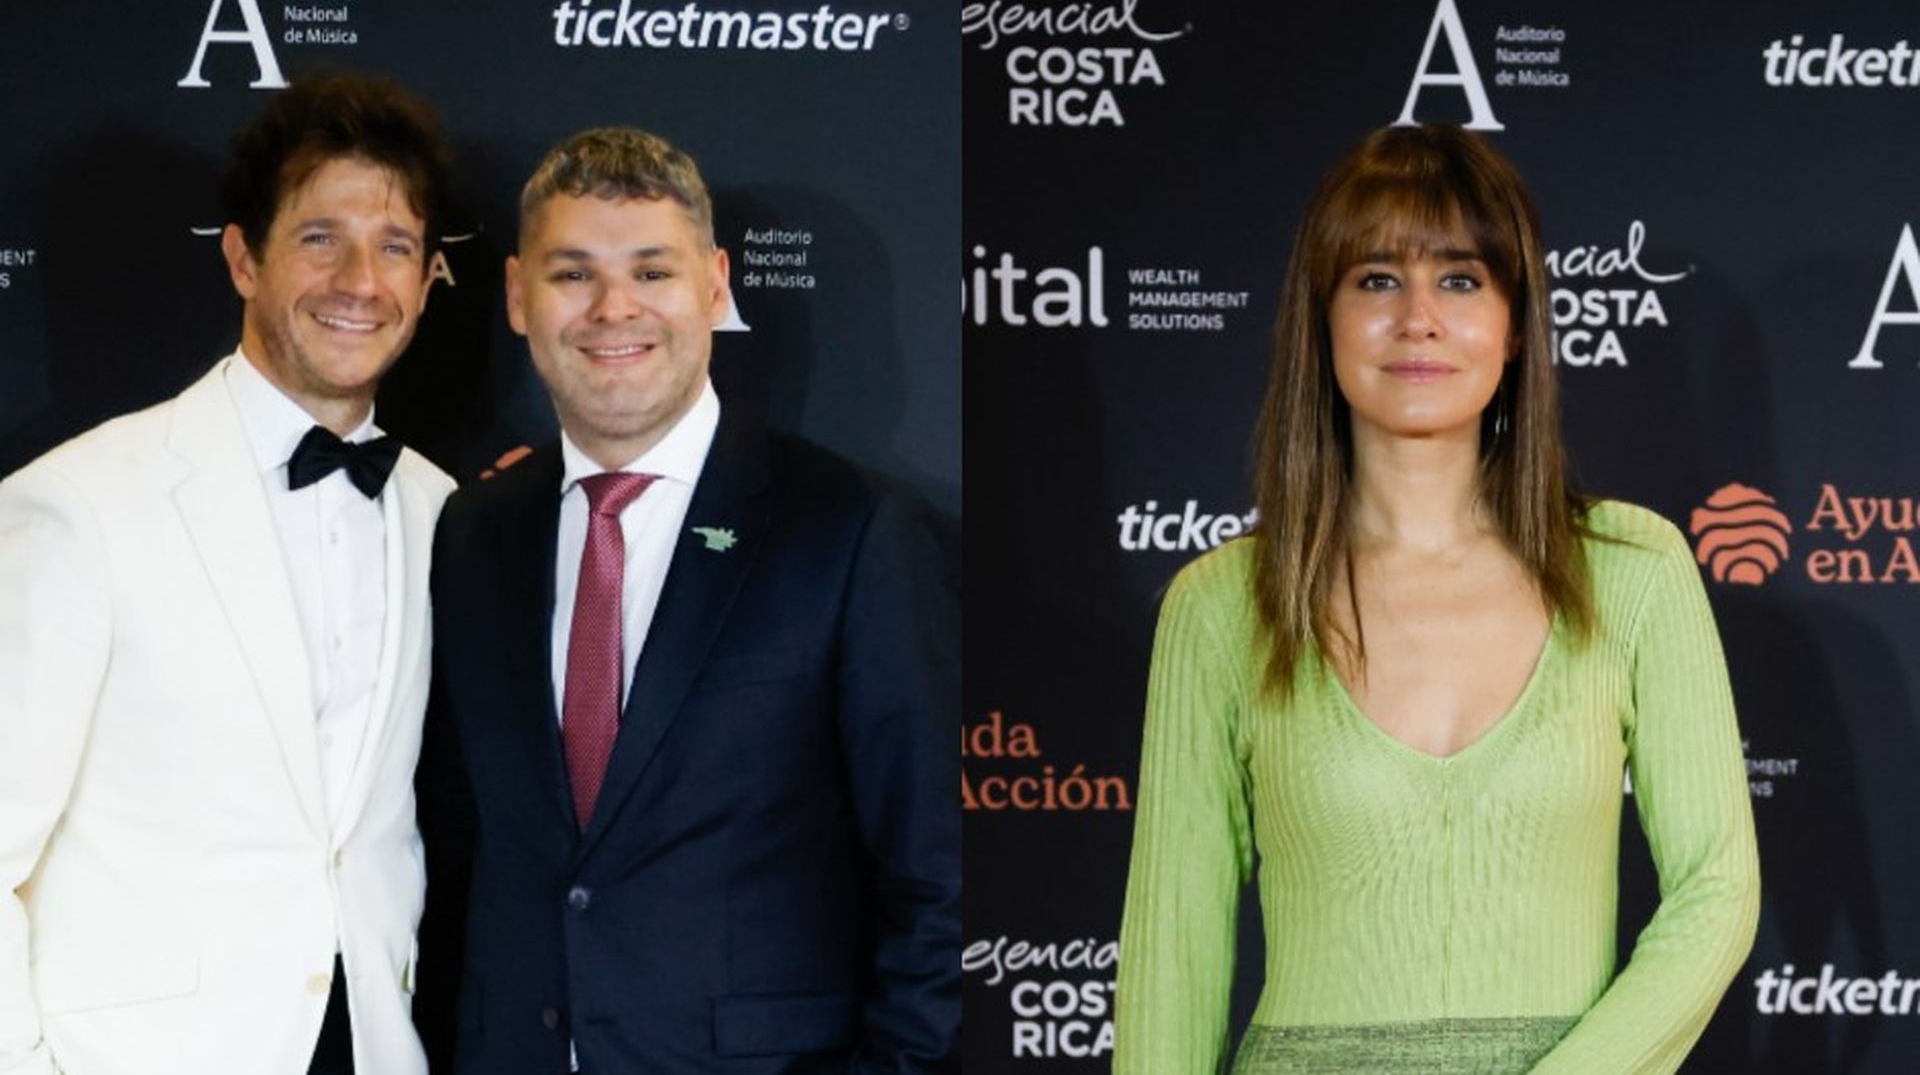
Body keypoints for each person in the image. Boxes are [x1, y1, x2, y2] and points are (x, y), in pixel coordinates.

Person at [1112, 125, 1759, 1074]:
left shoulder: (1636, 570)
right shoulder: (1221, 607)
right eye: (1376, 278)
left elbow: (1717, 889)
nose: (1418, 317)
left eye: (1460, 280)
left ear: (1514, 323)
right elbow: (1176, 950)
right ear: (1322, 317)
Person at [414, 127, 958, 1074]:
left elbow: (936, 879)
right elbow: (453, 850)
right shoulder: (472, 532)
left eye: (652, 272)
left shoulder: (852, 529)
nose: (613, 308)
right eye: (572, 274)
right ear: (515, 296)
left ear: (715, 285)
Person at [0, 74, 455, 1075]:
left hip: (371, 1045)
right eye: (320, 237)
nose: (360, 281)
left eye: (395, 247)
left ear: (428, 283)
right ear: (245, 258)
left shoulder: (442, 513)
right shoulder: (79, 504)